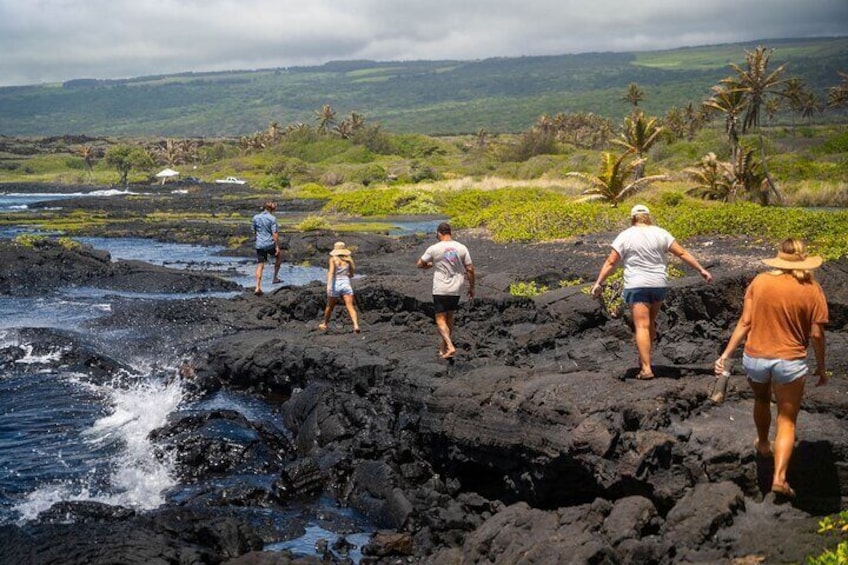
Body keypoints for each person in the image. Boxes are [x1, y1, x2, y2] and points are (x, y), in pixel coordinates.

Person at [714, 238, 828, 500]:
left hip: (755, 358)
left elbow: (745, 322)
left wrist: (726, 354)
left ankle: (764, 445)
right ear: (804, 259)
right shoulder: (812, 288)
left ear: (779, 258)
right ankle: (779, 478)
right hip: (790, 362)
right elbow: (817, 335)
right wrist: (821, 369)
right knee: (787, 420)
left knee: (762, 399)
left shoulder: (760, 282)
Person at [591, 204, 712, 379]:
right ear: (648, 217)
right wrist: (701, 270)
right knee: (651, 322)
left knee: (641, 325)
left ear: (632, 218)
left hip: (637, 285)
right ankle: (645, 359)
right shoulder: (661, 233)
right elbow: (682, 253)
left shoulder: (625, 235)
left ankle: (646, 368)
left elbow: (611, 262)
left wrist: (598, 282)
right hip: (658, 284)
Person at [416, 222, 475, 359]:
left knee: (440, 319)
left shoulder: (434, 248)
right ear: (450, 232)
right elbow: (470, 269)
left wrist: (429, 265)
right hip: (456, 288)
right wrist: (472, 287)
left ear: (439, 233)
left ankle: (449, 345)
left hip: (441, 288)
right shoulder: (461, 247)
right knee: (449, 316)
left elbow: (419, 263)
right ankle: (443, 348)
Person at [319, 241, 360, 333]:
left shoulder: (333, 259)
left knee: (329, 306)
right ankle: (356, 325)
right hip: (346, 283)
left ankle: (325, 323)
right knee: (350, 306)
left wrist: (328, 285)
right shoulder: (348, 260)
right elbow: (351, 275)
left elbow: (331, 272)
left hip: (335, 284)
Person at [252, 201, 282, 296]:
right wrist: (277, 246)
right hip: (270, 244)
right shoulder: (272, 218)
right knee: (279, 256)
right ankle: (275, 278)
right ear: (272, 209)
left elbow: (254, 230)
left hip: (260, 244)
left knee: (260, 265)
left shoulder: (256, 217)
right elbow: (275, 234)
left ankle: (257, 287)